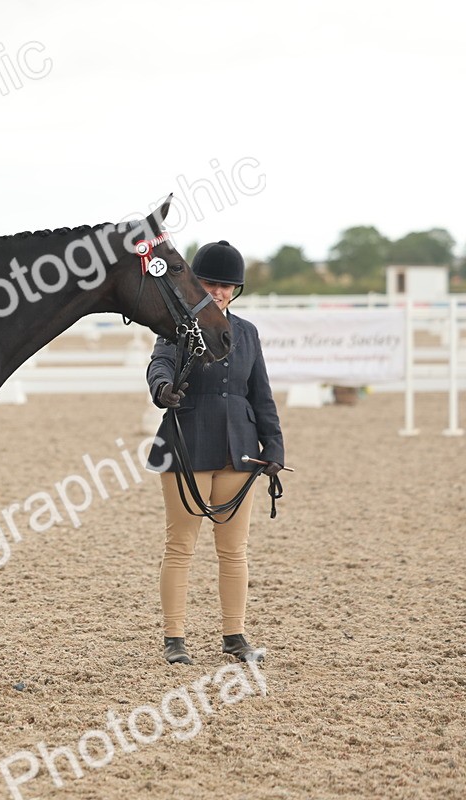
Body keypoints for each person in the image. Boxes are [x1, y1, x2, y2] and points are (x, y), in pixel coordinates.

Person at [145, 240, 284, 665]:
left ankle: (234, 635)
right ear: (196, 285)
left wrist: (273, 445)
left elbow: (261, 393)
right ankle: (174, 638)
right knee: (180, 546)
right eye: (210, 284)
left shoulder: (247, 333)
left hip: (239, 448)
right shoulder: (176, 326)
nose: (219, 292)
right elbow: (159, 363)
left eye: (227, 286)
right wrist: (162, 388)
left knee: (234, 549)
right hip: (187, 442)